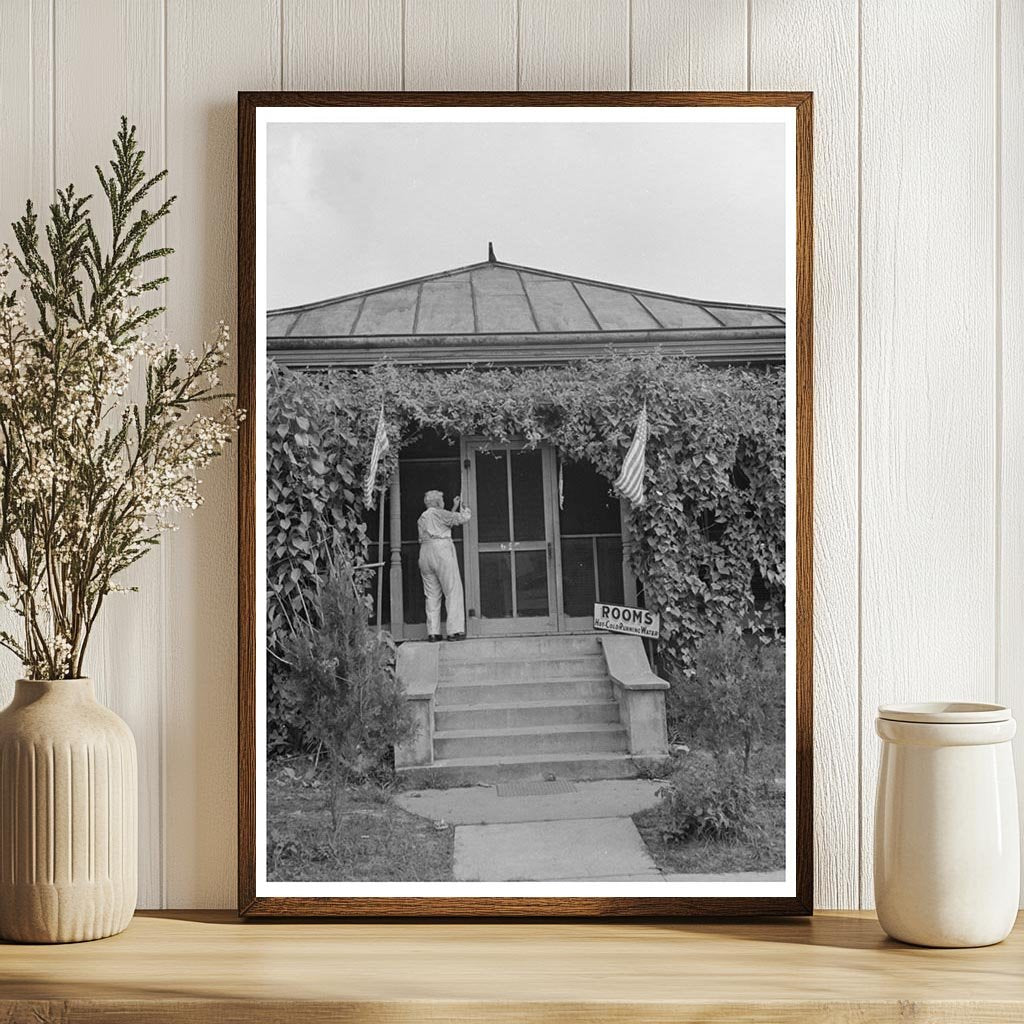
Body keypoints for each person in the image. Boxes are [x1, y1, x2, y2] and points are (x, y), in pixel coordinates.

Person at [417, 490, 472, 642]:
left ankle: (433, 632)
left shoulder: (423, 517)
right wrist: (465, 508)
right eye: (441, 500)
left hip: (425, 552)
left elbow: (444, 522)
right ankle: (454, 631)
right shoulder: (439, 513)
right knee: (452, 589)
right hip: (441, 550)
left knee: (432, 594)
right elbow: (462, 518)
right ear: (437, 502)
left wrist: (453, 507)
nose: (443, 502)